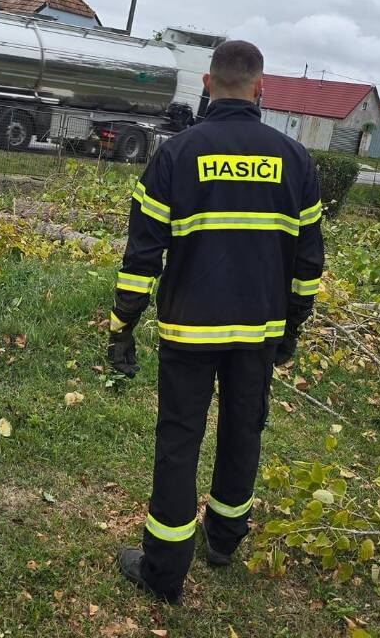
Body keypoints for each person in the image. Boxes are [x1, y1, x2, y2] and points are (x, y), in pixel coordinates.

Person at [106, 40, 325, 604]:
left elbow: (141, 257)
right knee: (242, 432)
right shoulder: (295, 160)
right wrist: (291, 329)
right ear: (261, 87)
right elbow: (308, 265)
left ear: (206, 84)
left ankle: (165, 571)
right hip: (258, 331)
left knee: (179, 441)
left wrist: (121, 327)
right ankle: (224, 540)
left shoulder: (177, 155)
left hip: (189, 330)